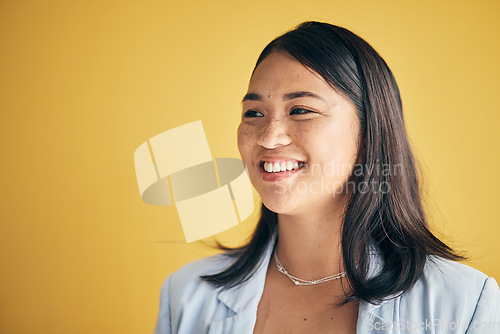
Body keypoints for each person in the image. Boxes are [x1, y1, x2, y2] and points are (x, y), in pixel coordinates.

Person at [154, 21, 500, 333]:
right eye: (254, 113)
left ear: (368, 133)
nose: (268, 137)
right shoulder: (185, 295)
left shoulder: (466, 303)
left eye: (301, 110)